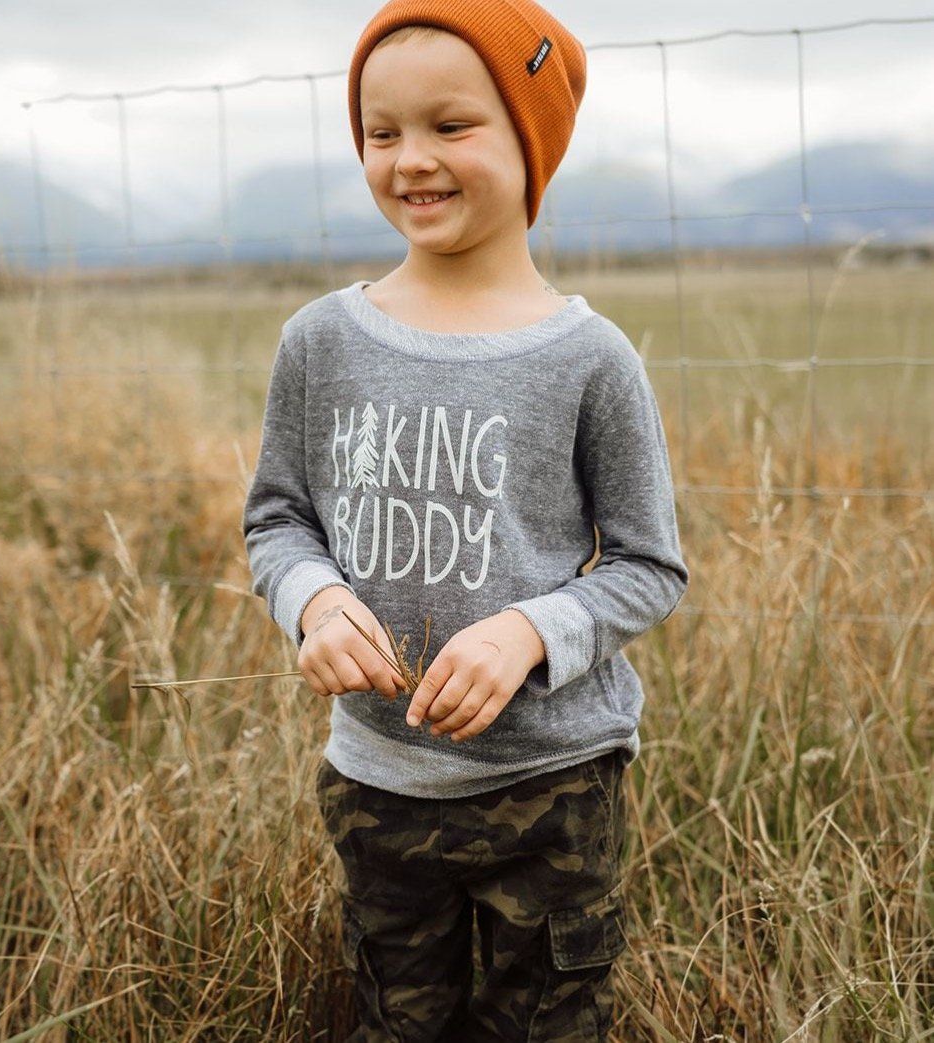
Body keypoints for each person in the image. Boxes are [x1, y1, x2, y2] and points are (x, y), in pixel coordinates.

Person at [242, 0, 690, 1038]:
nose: (410, 159)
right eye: (380, 132)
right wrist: (313, 603)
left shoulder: (589, 358)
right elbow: (277, 518)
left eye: (450, 126)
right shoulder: (320, 342)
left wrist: (529, 628)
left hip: (552, 785)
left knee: (545, 1022)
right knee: (398, 1018)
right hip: (378, 780)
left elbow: (647, 565)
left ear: (531, 140)